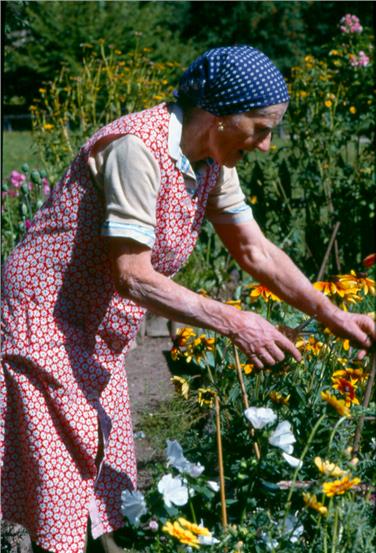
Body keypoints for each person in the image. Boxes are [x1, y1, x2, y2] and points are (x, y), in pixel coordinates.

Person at [1, 45, 375, 553]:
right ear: (221, 117)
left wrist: (333, 315)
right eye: (261, 129)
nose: (265, 146)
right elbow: (134, 276)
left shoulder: (212, 160)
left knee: (97, 487)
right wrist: (235, 322)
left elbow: (255, 250)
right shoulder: (137, 148)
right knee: (63, 488)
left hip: (91, 331)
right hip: (44, 322)